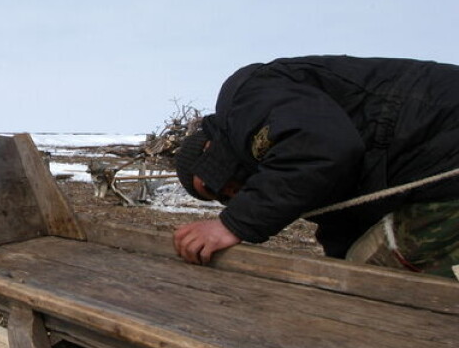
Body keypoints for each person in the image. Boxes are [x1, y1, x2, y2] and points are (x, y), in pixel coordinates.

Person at [172, 55, 459, 278]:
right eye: (222, 198)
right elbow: (343, 221)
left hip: (444, 150)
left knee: (374, 278)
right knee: (355, 271)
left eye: (211, 182)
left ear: (210, 148)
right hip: (437, 180)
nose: (230, 192)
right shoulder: (295, 177)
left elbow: (321, 145)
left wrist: (232, 223)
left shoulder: (244, 97)